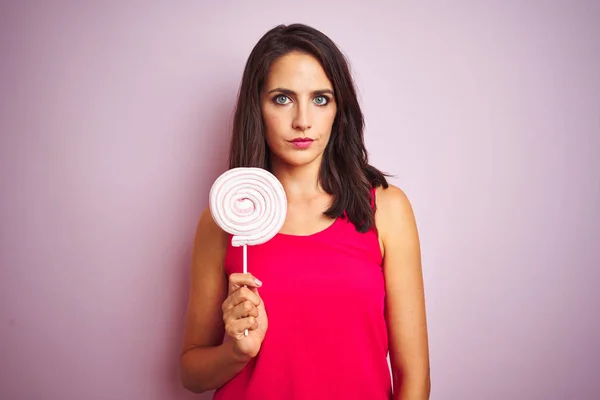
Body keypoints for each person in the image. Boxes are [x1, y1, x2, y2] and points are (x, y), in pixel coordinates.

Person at [180, 23, 430, 400]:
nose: (302, 120)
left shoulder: (386, 209)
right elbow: (192, 373)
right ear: (257, 107)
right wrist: (235, 352)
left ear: (338, 108)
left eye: (320, 98)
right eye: (282, 98)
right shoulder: (223, 220)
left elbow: (414, 378)